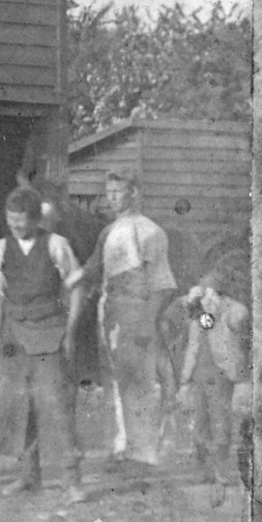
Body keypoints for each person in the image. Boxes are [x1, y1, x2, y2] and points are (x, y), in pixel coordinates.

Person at [0, 185, 88, 503]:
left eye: (22, 219)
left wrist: (70, 333)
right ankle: (29, 476)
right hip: (15, 336)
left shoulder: (57, 245)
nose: (16, 225)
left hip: (50, 333)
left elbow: (77, 289)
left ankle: (71, 480)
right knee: (19, 407)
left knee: (57, 406)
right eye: (11, 219)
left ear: (35, 217)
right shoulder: (1, 248)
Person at [84, 172, 177, 467]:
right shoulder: (109, 230)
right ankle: (121, 445)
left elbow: (162, 286)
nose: (111, 197)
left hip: (136, 313)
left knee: (141, 381)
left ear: (134, 192)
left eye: (118, 191)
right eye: (108, 190)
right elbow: (92, 268)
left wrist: (147, 325)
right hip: (109, 311)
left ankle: (146, 453)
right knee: (113, 378)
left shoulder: (150, 231)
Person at [177, 265, 251, 489]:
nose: (207, 299)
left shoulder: (234, 310)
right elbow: (185, 325)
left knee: (221, 424)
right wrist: (191, 301)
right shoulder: (198, 312)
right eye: (205, 293)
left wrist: (216, 308)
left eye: (211, 293)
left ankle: (220, 470)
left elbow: (239, 321)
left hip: (221, 376)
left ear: (221, 293)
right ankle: (202, 470)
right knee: (198, 424)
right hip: (198, 374)